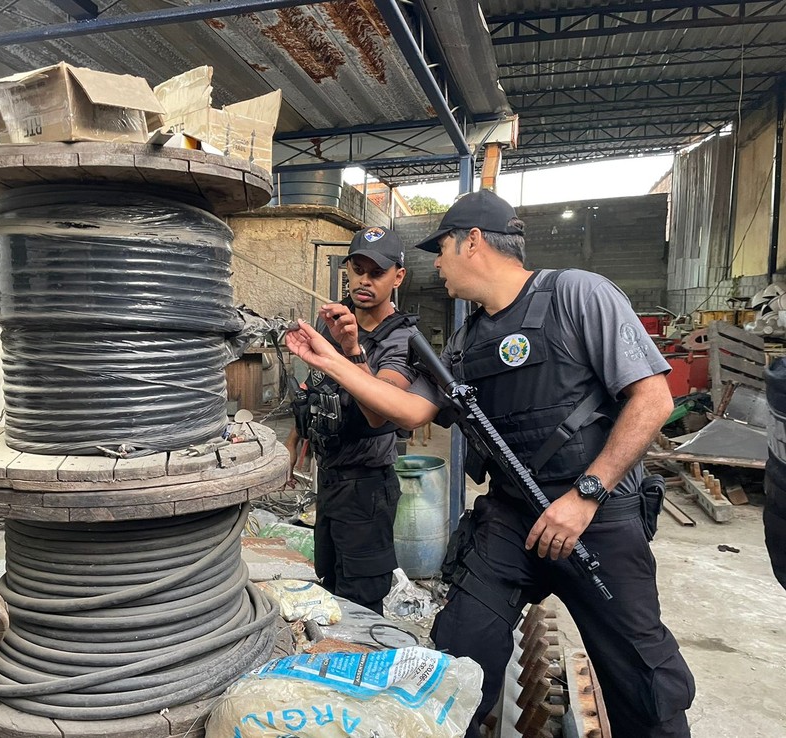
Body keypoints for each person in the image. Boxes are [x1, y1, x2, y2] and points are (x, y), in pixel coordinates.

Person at [285, 190, 695, 737]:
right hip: (510, 516)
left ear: (472, 242)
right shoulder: (465, 339)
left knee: (642, 682)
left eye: (443, 250)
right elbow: (407, 411)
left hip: (596, 517)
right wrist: (331, 360)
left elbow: (653, 400)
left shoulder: (577, 294)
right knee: (460, 656)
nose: (437, 265)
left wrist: (585, 495)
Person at [288, 225, 420, 615]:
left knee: (360, 601)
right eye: (357, 269)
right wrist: (295, 442)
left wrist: (352, 351)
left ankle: (363, 668)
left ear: (398, 276)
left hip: (366, 488)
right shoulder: (332, 321)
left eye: (376, 272)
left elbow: (379, 413)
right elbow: (316, 390)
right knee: (329, 581)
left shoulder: (403, 340)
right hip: (329, 480)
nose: (365, 280)